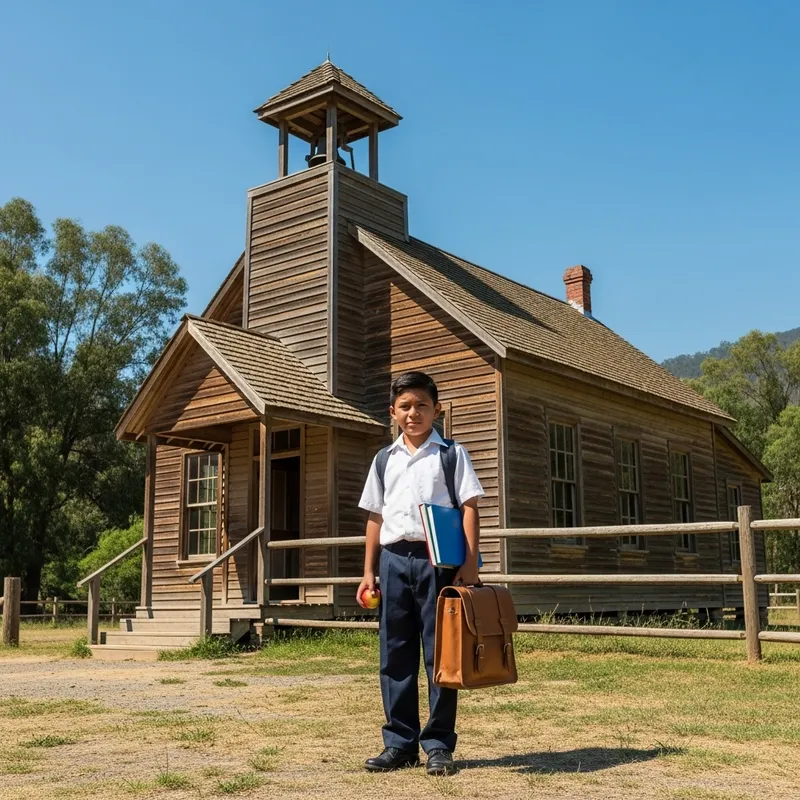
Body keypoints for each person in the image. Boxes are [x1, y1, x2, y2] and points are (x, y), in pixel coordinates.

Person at [357, 371, 484, 776]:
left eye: (422, 405)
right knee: (394, 654)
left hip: (438, 564)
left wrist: (468, 562)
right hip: (393, 562)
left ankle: (438, 744)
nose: (414, 413)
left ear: (437, 409)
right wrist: (368, 572)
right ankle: (399, 744)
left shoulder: (450, 454)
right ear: (393, 412)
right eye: (405, 406)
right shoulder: (384, 460)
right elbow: (376, 517)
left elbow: (469, 507)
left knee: (440, 654)